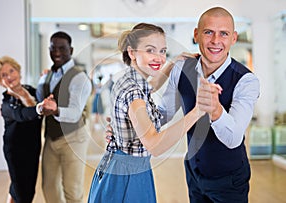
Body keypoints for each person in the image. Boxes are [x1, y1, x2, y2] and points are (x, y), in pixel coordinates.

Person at [87, 23, 217, 203]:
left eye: (163, 51)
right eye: (150, 50)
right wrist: (198, 111)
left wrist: (173, 63)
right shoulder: (133, 93)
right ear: (132, 52)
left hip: (118, 166)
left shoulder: (128, 79)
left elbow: (150, 86)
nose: (159, 58)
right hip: (128, 175)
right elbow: (154, 145)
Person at [156, 7, 260, 203]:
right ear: (196, 34)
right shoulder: (181, 69)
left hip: (229, 180)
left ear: (233, 38)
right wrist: (130, 121)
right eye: (208, 32)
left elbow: (234, 138)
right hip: (194, 172)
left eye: (224, 34)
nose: (215, 41)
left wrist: (216, 110)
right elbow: (163, 113)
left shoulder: (246, 81)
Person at [36, 31, 92, 203]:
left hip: (74, 138)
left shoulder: (80, 78)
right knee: (49, 187)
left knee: (72, 191)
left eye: (62, 48)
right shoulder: (46, 75)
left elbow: (75, 113)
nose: (57, 52)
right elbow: (38, 101)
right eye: (53, 48)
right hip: (51, 138)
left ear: (71, 50)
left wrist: (55, 110)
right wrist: (41, 108)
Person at [0, 56, 42, 203]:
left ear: (18, 71)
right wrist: (39, 109)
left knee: (21, 187)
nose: (9, 77)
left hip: (33, 148)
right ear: (0, 81)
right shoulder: (7, 103)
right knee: (23, 193)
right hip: (16, 152)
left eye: (11, 71)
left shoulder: (30, 90)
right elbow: (22, 114)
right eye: (4, 75)